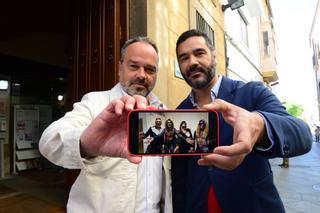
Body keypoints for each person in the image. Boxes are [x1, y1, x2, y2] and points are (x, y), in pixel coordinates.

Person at [171, 29, 313, 213]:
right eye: (184, 58)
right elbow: (180, 176)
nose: (193, 62)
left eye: (199, 53)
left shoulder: (252, 92)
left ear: (214, 56)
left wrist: (259, 125)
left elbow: (301, 134)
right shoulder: (179, 113)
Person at [39, 37, 172, 213]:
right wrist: (86, 144)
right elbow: (49, 141)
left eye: (149, 69)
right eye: (134, 66)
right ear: (119, 68)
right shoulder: (95, 102)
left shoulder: (163, 113)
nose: (142, 74)